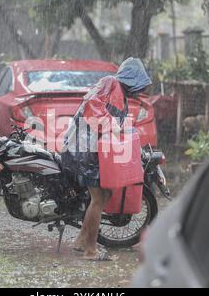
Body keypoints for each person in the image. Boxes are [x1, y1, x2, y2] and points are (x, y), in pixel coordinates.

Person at [61, 58, 153, 261]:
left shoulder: (119, 91)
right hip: (82, 149)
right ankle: (90, 251)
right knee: (98, 198)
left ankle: (81, 241)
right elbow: (93, 109)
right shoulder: (112, 83)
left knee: (105, 194)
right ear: (131, 78)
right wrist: (113, 126)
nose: (140, 90)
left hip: (88, 148)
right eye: (139, 83)